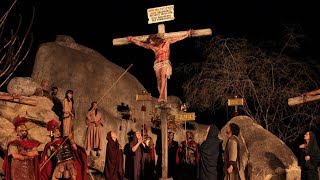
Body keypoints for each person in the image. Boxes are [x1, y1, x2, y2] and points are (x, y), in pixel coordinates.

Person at [127, 29, 192, 104]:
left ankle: (162, 97)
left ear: (156, 39)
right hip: (157, 64)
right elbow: (141, 44)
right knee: (158, 81)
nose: (150, 42)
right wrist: (132, 39)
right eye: (150, 41)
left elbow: (177, 38)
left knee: (162, 77)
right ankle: (162, 97)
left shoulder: (166, 42)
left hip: (165, 62)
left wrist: (187, 34)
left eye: (151, 40)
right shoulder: (152, 46)